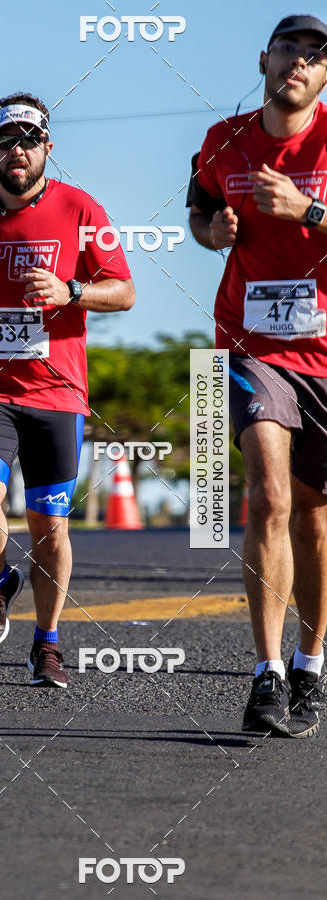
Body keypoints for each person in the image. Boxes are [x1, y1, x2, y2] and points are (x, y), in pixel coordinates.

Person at [0, 92, 135, 688]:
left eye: (28, 140)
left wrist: (72, 290)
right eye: (5, 141)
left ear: (48, 146)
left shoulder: (79, 208)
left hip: (57, 394)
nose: (16, 151)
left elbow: (123, 291)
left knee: (50, 528)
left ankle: (47, 641)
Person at [188, 15, 327, 736]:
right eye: (289, 51)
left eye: (314, 56)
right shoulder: (225, 139)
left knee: (313, 514)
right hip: (251, 347)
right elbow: (200, 206)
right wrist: (210, 231)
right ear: (264, 60)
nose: (299, 64)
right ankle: (265, 671)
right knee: (269, 494)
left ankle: (310, 664)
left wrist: (311, 210)